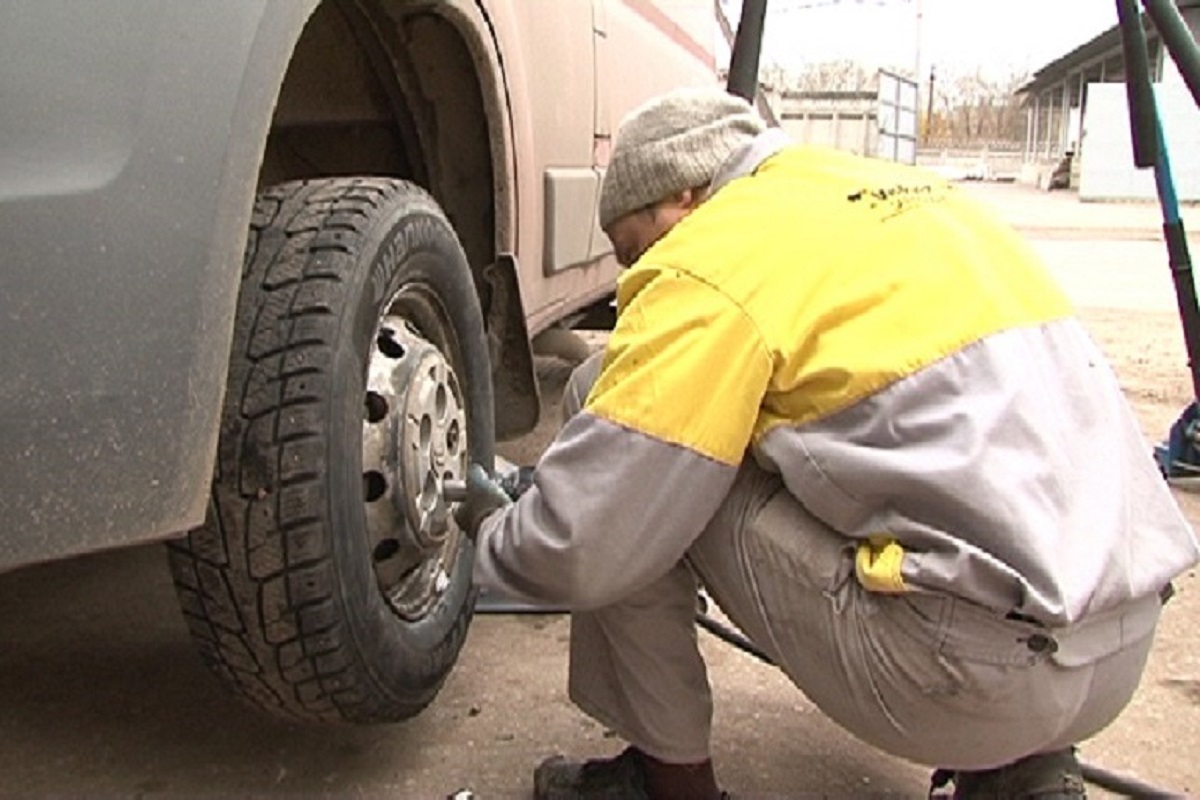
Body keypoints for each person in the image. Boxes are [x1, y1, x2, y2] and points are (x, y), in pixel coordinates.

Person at [455, 87, 1200, 799]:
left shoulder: (713, 253)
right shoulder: (904, 198)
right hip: (1118, 649)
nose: (633, 278)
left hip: (964, 679)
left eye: (633, 247)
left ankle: (667, 783)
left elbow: (590, 539)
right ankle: (1020, 771)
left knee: (613, 421)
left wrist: (497, 531)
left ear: (682, 198)